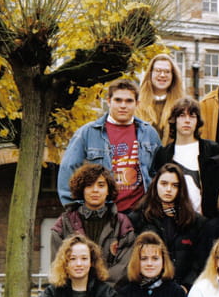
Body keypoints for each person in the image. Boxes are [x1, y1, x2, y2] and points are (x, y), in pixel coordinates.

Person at [58, 79, 161, 211]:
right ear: (109, 101)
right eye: (118, 100)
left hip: (140, 213)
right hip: (102, 213)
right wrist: (76, 210)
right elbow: (68, 170)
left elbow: (159, 173)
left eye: (129, 101)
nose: (123, 105)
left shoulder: (149, 133)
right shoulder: (87, 133)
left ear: (137, 103)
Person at [51, 162, 135, 286]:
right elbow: (59, 265)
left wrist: (100, 290)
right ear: (82, 189)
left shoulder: (122, 223)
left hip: (111, 293)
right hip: (74, 292)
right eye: (89, 185)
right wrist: (80, 287)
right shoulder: (64, 223)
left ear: (108, 190)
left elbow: (124, 266)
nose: (95, 190)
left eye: (101, 185)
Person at [128, 163, 205, 290]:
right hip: (148, 289)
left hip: (184, 290)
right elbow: (132, 258)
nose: (168, 189)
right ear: (155, 185)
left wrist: (187, 286)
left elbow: (200, 261)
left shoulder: (195, 221)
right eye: (164, 184)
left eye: (175, 185)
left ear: (181, 189)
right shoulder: (138, 218)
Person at [150, 97, 219, 216]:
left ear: (197, 121)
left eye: (192, 116)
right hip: (174, 218)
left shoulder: (212, 150)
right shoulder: (163, 154)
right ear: (174, 120)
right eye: (182, 116)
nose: (187, 120)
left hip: (206, 218)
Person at [136, 53, 186, 142]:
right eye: (158, 70)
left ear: (173, 76)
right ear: (150, 74)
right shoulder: (137, 105)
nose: (162, 75)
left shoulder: (182, 106)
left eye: (167, 71)